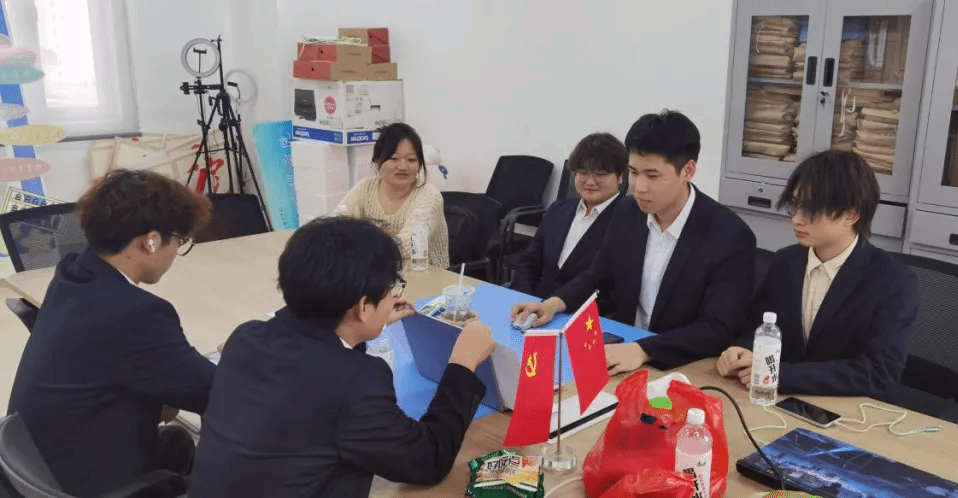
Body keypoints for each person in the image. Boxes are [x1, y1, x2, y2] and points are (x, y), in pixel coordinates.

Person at [189, 217, 495, 498]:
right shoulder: (357, 382)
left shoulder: (244, 338)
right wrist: (462, 365)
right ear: (362, 306)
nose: (394, 295)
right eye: (391, 287)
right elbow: (429, 460)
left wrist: (362, 326)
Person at [6, 169, 216, 497]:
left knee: (176, 441)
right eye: (179, 239)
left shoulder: (72, 274)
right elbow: (215, 392)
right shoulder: (137, 314)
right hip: (88, 484)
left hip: (42, 464)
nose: (177, 250)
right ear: (151, 241)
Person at [511, 110, 757, 374]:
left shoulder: (728, 235)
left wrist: (644, 350)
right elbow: (597, 277)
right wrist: (553, 303)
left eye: (652, 175)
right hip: (622, 350)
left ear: (688, 170)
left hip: (682, 364)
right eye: (633, 172)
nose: (638, 186)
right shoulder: (627, 212)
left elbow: (717, 328)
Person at [715, 150, 917, 402]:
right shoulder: (784, 262)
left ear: (850, 215)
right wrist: (740, 350)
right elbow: (758, 326)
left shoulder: (893, 281)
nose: (797, 219)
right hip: (781, 403)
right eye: (795, 205)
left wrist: (783, 375)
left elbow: (879, 372)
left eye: (811, 210)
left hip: (851, 410)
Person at [509, 132, 628, 299]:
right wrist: (522, 298)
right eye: (583, 173)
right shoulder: (558, 209)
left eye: (600, 174)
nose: (590, 182)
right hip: (534, 303)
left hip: (586, 311)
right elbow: (529, 261)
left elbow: (611, 284)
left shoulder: (629, 218)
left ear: (620, 176)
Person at [331, 122, 450, 269]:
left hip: (426, 275)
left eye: (411, 160)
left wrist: (362, 236)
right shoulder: (365, 188)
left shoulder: (429, 196)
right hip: (377, 271)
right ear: (377, 162)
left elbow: (407, 245)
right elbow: (335, 227)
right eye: (394, 159)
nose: (403, 166)